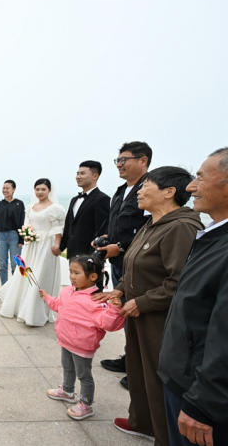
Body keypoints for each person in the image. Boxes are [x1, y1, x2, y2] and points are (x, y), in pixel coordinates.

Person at [92, 167, 203, 444]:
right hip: (137, 313)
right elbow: (134, 264)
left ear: (169, 192)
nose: (139, 192)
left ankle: (164, 435)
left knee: (157, 378)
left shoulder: (182, 227)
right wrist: (119, 289)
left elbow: (180, 281)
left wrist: (141, 302)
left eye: (146, 186)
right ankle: (142, 422)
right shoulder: (152, 223)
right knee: (138, 370)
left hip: (159, 317)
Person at [159, 149, 228, 446]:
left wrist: (204, 402)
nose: (190, 187)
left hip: (199, 398)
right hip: (183, 378)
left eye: (200, 177)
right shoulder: (211, 235)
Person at [42, 255, 125, 420]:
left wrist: (114, 309)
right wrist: (47, 297)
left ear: (93, 276)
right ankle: (67, 391)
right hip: (66, 340)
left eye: (76, 273)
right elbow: (59, 305)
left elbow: (108, 323)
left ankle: (86, 405)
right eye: (70, 272)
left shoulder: (96, 300)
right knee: (67, 367)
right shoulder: (68, 291)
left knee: (84, 376)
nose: (72, 276)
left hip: (82, 346)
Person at [98, 142, 152, 387]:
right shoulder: (121, 191)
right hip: (119, 262)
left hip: (138, 263)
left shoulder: (151, 189)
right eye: (117, 160)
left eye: (124, 160)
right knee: (124, 310)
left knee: (137, 314)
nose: (119, 165)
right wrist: (106, 238)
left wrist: (119, 246)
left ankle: (140, 371)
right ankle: (130, 358)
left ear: (143, 160)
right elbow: (117, 223)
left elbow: (148, 229)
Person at [0, 178, 66, 326]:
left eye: (43, 189)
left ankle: (35, 313)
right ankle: (23, 306)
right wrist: (27, 236)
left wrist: (57, 245)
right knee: (26, 274)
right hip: (32, 246)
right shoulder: (31, 207)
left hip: (46, 245)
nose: (40, 192)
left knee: (40, 276)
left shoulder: (55, 208)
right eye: (37, 189)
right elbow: (27, 225)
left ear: (49, 190)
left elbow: (57, 229)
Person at [60, 161, 110, 259]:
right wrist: (61, 247)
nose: (78, 177)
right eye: (77, 173)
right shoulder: (74, 199)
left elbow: (101, 230)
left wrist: (93, 256)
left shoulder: (102, 199)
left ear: (95, 176)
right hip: (72, 252)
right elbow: (69, 226)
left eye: (82, 173)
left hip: (89, 255)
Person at [0, 180, 25, 286]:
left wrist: (21, 240)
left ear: (13, 189)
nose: (5, 190)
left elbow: (21, 222)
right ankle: (4, 288)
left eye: (7, 188)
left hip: (14, 236)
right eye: (3, 188)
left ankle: (14, 290)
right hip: (1, 236)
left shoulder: (19, 204)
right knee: (2, 265)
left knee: (16, 265)